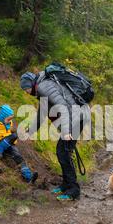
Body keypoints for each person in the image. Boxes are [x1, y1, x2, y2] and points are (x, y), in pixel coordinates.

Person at [20, 71, 88, 201]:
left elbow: (63, 106)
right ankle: (66, 185)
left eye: (26, 89)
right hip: (74, 118)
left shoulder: (43, 87)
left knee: (63, 152)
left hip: (76, 118)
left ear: (31, 84)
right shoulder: (42, 91)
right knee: (62, 152)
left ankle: (73, 190)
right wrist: (30, 131)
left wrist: (67, 131)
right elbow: (41, 115)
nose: (26, 92)